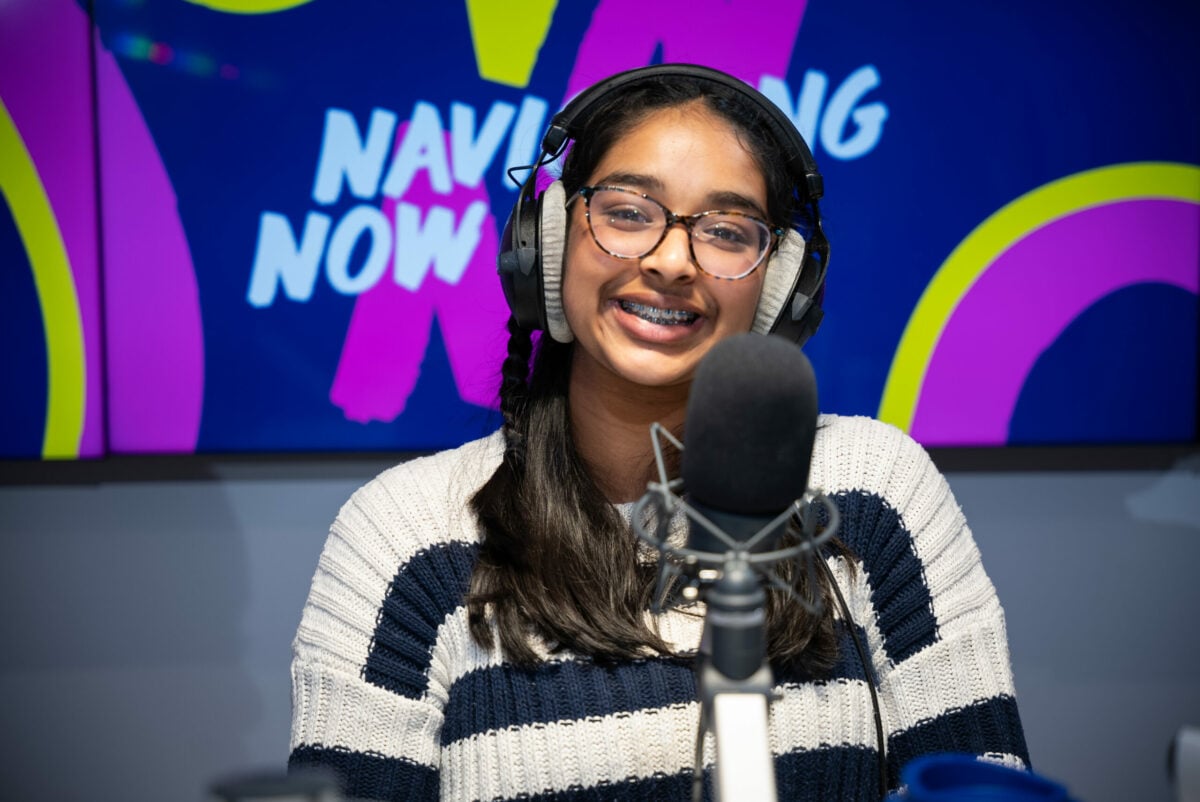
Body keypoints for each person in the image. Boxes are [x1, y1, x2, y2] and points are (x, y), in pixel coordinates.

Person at [287, 64, 1029, 801]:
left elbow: (985, 785)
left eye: (727, 231)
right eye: (627, 213)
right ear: (547, 243)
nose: (672, 261)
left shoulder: (873, 492)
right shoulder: (401, 538)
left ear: (780, 289)